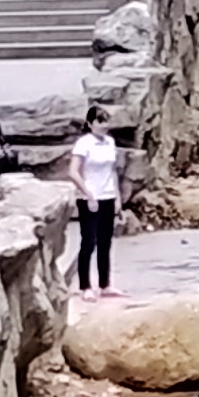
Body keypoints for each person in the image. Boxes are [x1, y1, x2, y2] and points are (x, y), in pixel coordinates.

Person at [68, 114, 122, 293]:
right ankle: (85, 286)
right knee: (89, 242)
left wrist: (118, 198)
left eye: (106, 121)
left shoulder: (110, 142)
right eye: (100, 122)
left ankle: (105, 284)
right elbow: (73, 172)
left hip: (108, 195)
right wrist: (88, 194)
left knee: (105, 242)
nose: (104, 125)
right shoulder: (84, 143)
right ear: (90, 124)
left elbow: (112, 171)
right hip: (89, 197)